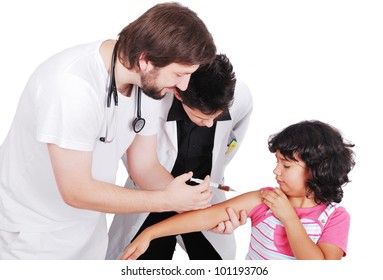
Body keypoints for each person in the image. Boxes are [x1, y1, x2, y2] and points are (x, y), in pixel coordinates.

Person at [0, 2, 228, 260]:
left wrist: (199, 210)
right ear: (145, 60)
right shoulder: (71, 87)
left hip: (86, 233)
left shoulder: (147, 85)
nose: (184, 85)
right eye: (179, 73)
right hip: (31, 237)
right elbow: (76, 191)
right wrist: (168, 201)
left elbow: (145, 167)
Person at [120, 120, 356, 260]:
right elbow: (205, 217)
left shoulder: (335, 218)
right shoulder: (265, 199)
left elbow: (319, 269)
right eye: (276, 162)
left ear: (317, 169)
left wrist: (289, 217)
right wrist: (150, 233)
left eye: (286, 165)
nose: (276, 172)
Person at [106, 54, 253, 260]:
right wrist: (168, 192)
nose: (210, 124)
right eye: (202, 117)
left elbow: (231, 142)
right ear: (178, 93)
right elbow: (134, 157)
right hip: (154, 194)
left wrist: (213, 175)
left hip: (204, 200)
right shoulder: (149, 101)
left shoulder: (241, 97)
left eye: (217, 117)